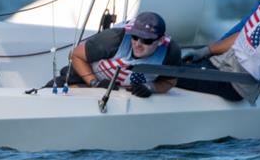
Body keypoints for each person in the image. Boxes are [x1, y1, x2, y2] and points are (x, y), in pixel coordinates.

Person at [47, 12, 182, 98]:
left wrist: (150, 87)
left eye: (147, 40)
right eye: (135, 37)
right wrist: (95, 83)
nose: (138, 44)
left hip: (123, 93)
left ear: (159, 41)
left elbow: (170, 81)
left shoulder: (171, 52)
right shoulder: (114, 39)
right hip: (83, 78)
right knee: (50, 90)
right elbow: (75, 55)